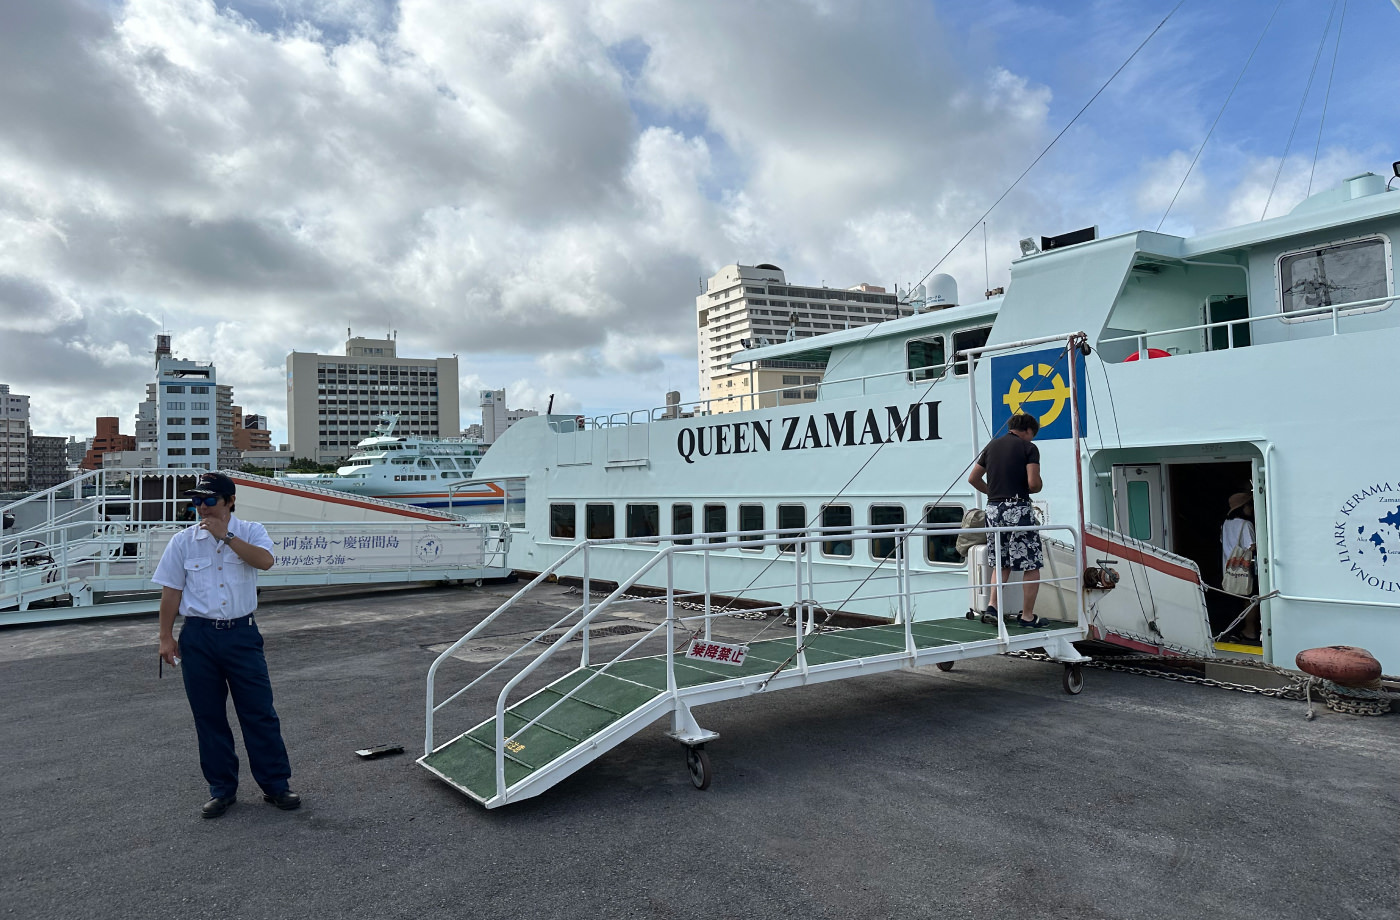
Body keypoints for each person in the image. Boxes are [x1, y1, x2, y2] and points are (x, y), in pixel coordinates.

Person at [154, 472, 300, 818]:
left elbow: (264, 561)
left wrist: (226, 536)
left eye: (209, 501)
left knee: (259, 712)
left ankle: (276, 785)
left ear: (230, 501)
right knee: (208, 716)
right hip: (199, 637)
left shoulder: (251, 531)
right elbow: (171, 591)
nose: (201, 508)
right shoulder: (182, 542)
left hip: (241, 634)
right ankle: (222, 790)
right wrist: (165, 637)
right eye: (196, 501)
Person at [967, 412, 1048, 627]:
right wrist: (1039, 484)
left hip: (993, 510)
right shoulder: (1028, 448)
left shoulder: (991, 447)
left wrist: (991, 493)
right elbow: (1033, 484)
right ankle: (1028, 616)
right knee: (1031, 564)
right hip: (1018, 510)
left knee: (1001, 563)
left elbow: (973, 478)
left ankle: (993, 607)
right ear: (1029, 431)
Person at [1221, 492, 1259, 641]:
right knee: (1251, 600)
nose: (1251, 508)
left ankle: (1233, 631)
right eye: (1249, 505)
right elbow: (1251, 547)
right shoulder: (1246, 524)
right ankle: (1249, 631)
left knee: (1234, 600)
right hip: (1244, 570)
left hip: (1229, 569)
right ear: (1242, 508)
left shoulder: (1226, 523)